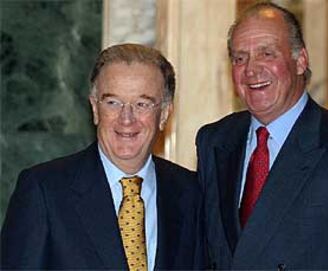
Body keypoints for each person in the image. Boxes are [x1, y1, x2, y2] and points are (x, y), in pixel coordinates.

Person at [196, 2, 328, 270]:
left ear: (300, 61)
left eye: (267, 53)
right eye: (240, 58)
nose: (251, 69)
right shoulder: (215, 141)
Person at [1, 43, 205, 270]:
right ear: (95, 109)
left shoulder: (191, 193)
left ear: (164, 113)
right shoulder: (45, 190)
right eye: (112, 103)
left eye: (142, 104)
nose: (126, 119)